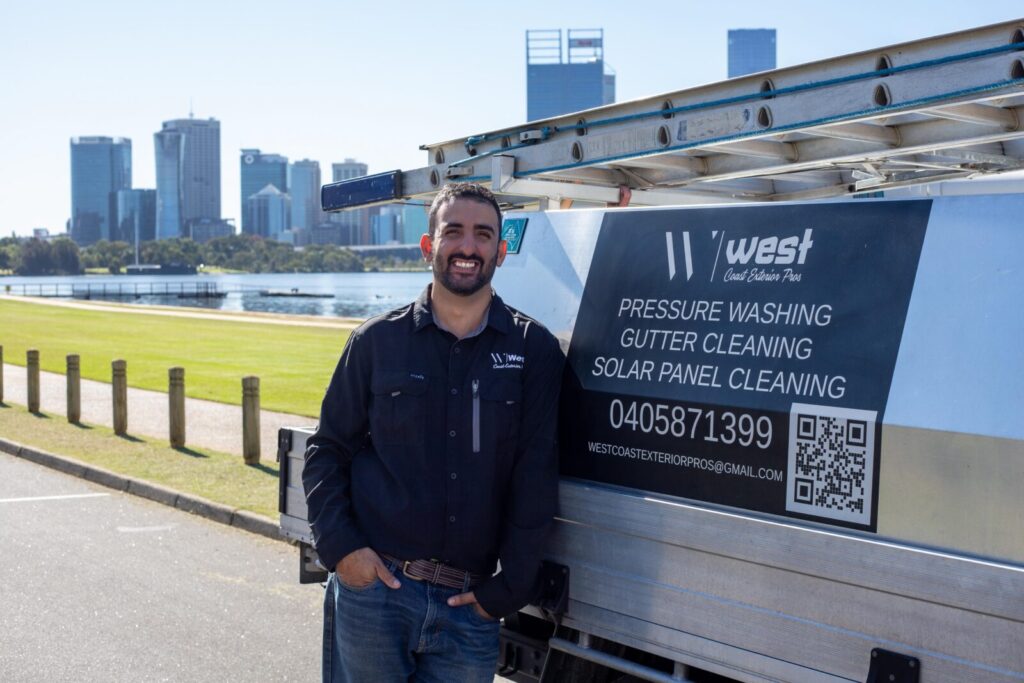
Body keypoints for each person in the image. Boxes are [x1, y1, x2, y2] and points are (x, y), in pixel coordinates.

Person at [302, 182, 564, 682]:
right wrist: (342, 552)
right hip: (376, 593)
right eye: (454, 232)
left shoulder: (535, 351)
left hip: (471, 608)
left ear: (501, 252)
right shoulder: (376, 342)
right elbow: (327, 451)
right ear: (429, 246)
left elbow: (536, 475)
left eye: (483, 235)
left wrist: (507, 593)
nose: (468, 247)